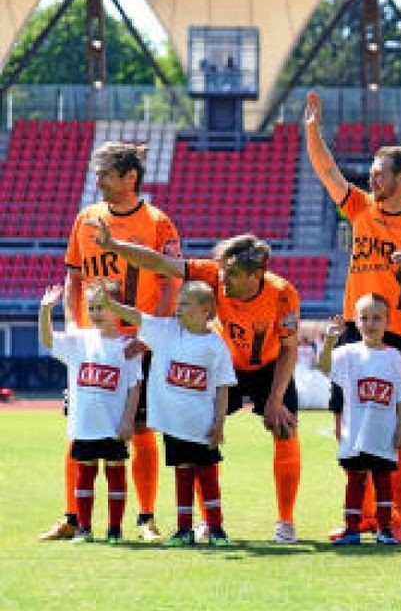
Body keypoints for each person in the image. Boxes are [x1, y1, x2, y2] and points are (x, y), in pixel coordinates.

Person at [88, 223, 303, 544]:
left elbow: (289, 348)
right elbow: (159, 263)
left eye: (231, 274)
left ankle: (285, 521)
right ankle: (206, 521)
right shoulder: (211, 274)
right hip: (221, 363)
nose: (221, 279)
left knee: (285, 430)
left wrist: (275, 400)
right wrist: (114, 245)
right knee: (201, 436)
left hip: (269, 368)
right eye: (222, 271)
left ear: (254, 275)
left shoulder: (283, 293)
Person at [305, 90, 401, 544]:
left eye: (379, 174)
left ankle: (396, 519)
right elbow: (328, 171)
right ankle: (362, 517)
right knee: (347, 423)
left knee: (399, 428)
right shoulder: (358, 208)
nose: (371, 180)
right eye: (370, 174)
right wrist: (313, 130)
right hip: (357, 329)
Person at [43, 142, 181, 544]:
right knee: (79, 427)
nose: (97, 180)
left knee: (139, 428)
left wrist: (152, 333)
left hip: (135, 344)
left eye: (104, 173)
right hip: (93, 344)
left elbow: (171, 282)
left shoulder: (158, 222)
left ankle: (146, 517)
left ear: (129, 177)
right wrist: (73, 322)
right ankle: (73, 516)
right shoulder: (85, 219)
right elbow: (73, 277)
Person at [100, 281, 237, 547]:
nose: (178, 308)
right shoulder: (166, 331)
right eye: (178, 302)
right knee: (182, 476)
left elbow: (222, 388)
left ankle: (217, 529)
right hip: (174, 426)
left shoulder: (215, 345)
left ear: (205, 310)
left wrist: (219, 423)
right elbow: (138, 317)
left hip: (202, 426)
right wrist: (110, 305)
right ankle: (184, 530)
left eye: (185, 304)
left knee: (208, 477)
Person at [40, 281, 142, 544]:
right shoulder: (79, 341)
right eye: (92, 307)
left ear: (117, 309)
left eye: (102, 307)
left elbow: (134, 386)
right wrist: (45, 311)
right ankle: (84, 528)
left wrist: (128, 421)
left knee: (115, 475)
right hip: (85, 426)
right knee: (84, 477)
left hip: (114, 426)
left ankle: (115, 529)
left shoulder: (127, 346)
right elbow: (48, 339)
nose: (96, 312)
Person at [318, 295, 401, 546]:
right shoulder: (348, 353)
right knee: (355, 481)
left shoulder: (395, 357)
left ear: (387, 321)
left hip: (384, 433)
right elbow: (323, 366)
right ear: (356, 322)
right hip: (356, 434)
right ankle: (352, 529)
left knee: (384, 483)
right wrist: (329, 340)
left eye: (377, 318)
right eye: (364, 318)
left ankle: (385, 529)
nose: (370, 323)